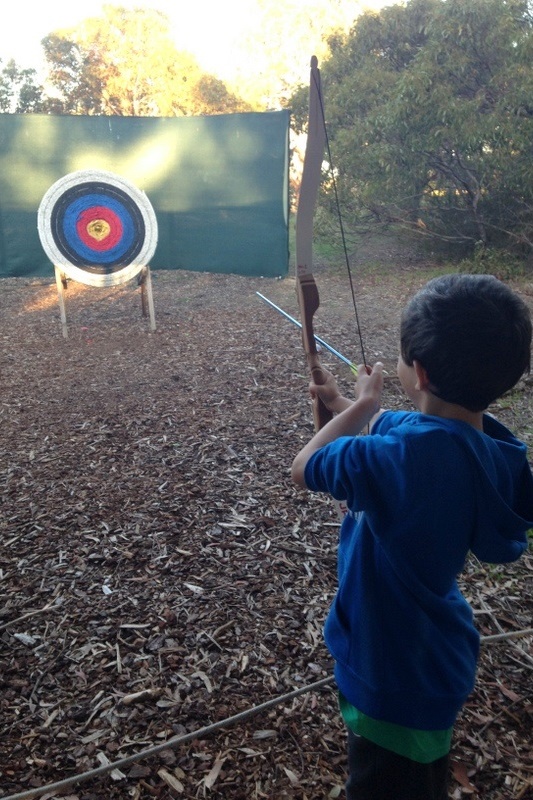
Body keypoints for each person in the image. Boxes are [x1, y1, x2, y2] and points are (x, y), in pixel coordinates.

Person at [291, 273, 533, 800]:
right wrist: (341, 403)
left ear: (417, 372)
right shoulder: (490, 448)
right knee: (418, 783)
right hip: (433, 655)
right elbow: (403, 430)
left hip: (390, 666)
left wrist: (359, 407)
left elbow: (303, 466)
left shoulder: (398, 457)